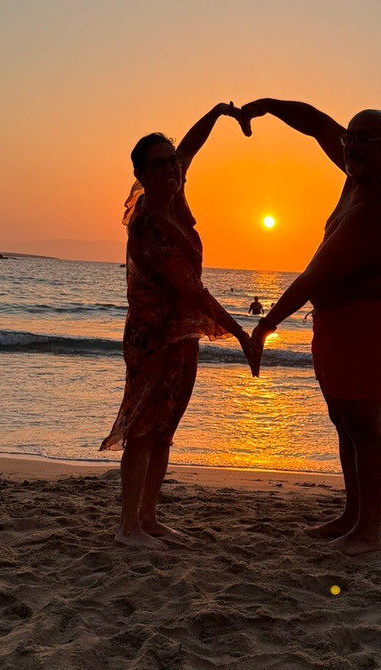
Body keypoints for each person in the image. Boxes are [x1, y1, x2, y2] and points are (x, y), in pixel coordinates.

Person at [243, 99, 381, 556]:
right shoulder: (358, 169)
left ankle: (369, 532)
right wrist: (266, 107)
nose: (351, 147)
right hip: (338, 321)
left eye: (365, 140)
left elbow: (314, 275)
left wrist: (265, 329)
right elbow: (318, 124)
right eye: (350, 138)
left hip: (369, 321)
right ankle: (352, 514)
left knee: (366, 424)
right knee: (344, 420)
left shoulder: (378, 205)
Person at [101, 104, 260, 550]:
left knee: (167, 428)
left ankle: (149, 518)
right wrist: (243, 334)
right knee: (143, 427)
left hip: (183, 334)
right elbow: (194, 293)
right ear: (141, 175)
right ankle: (127, 526)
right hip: (152, 338)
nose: (172, 168)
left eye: (172, 161)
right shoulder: (149, 224)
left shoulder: (175, 197)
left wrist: (221, 113)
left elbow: (190, 148)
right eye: (160, 164)